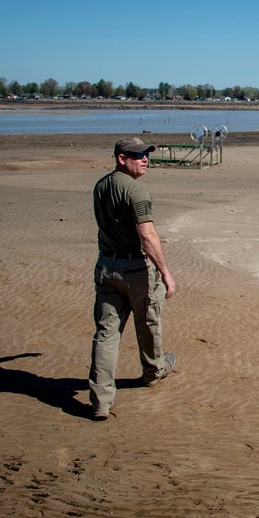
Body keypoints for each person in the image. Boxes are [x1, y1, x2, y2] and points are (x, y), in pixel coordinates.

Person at [88, 136, 177, 420]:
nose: (145, 159)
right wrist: (165, 272)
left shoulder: (101, 186)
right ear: (121, 158)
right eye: (138, 155)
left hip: (106, 266)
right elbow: (147, 236)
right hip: (134, 268)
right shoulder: (137, 191)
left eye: (146, 154)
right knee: (148, 321)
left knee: (106, 334)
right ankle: (154, 371)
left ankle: (101, 399)